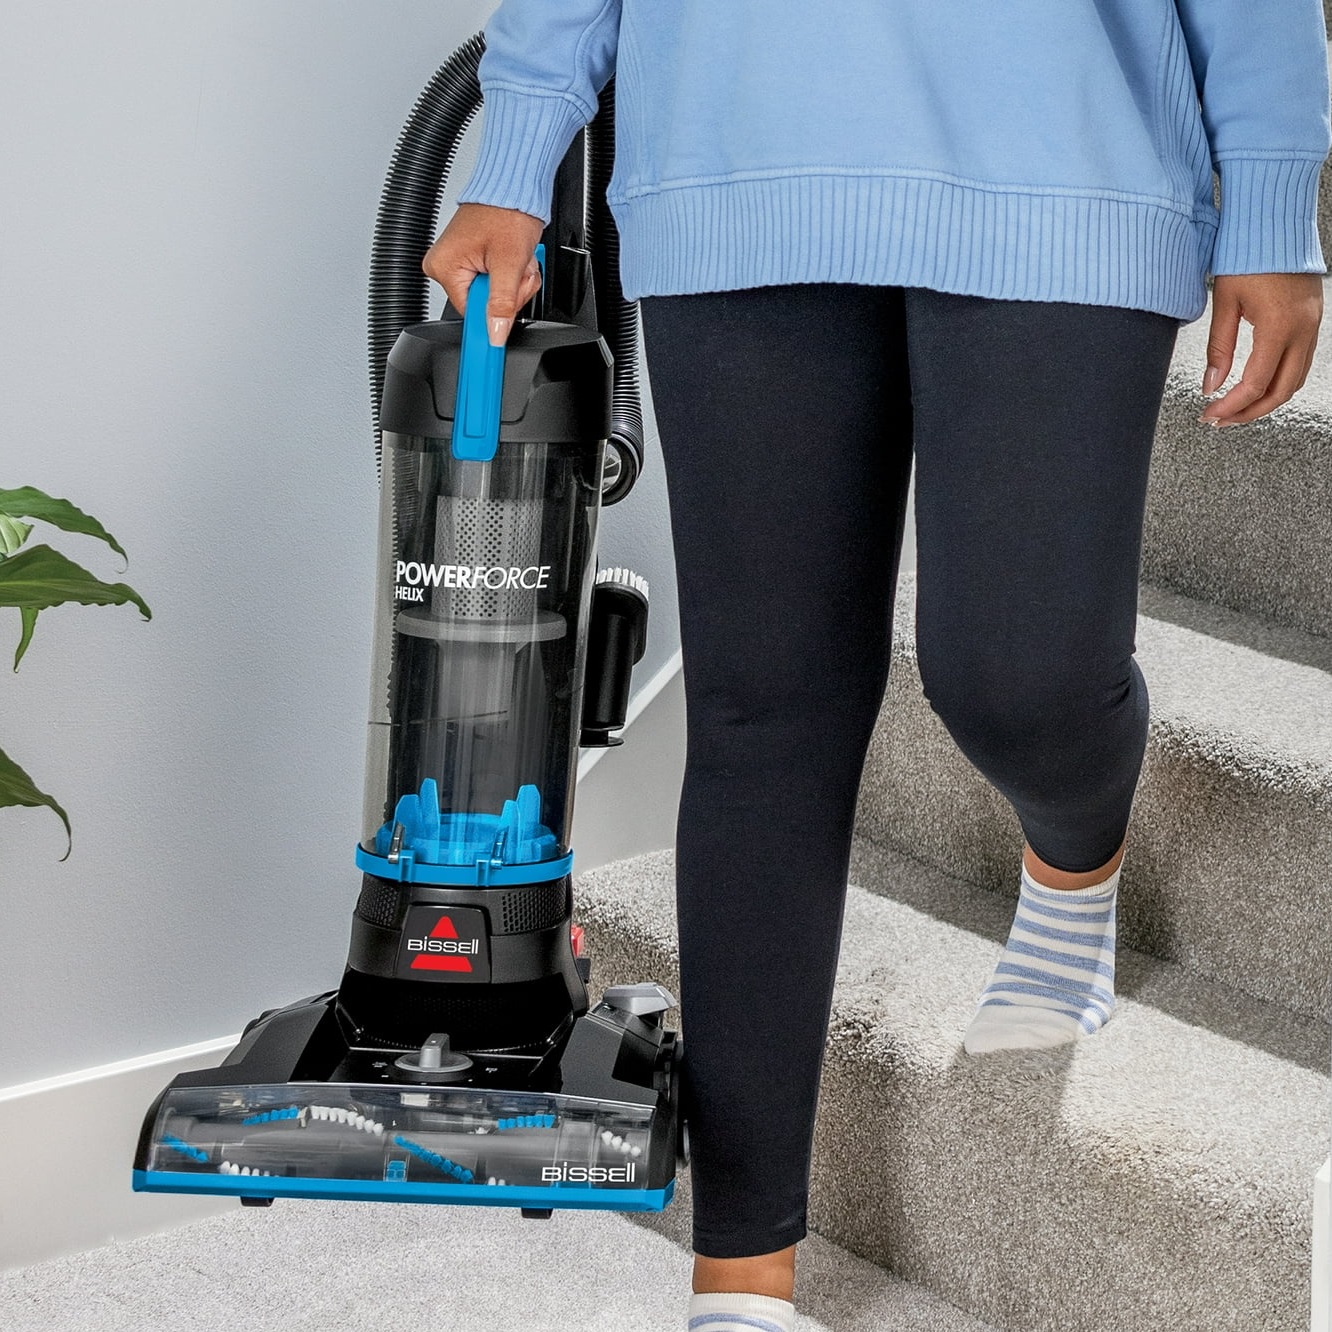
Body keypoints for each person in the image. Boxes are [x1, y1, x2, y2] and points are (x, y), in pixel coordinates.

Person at [423, 4, 1330, 1330]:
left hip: (1066, 157)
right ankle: (742, 1274)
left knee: (1022, 681)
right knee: (762, 712)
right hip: (733, 156)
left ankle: (1074, 859)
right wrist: (515, 158)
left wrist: (1273, 201)